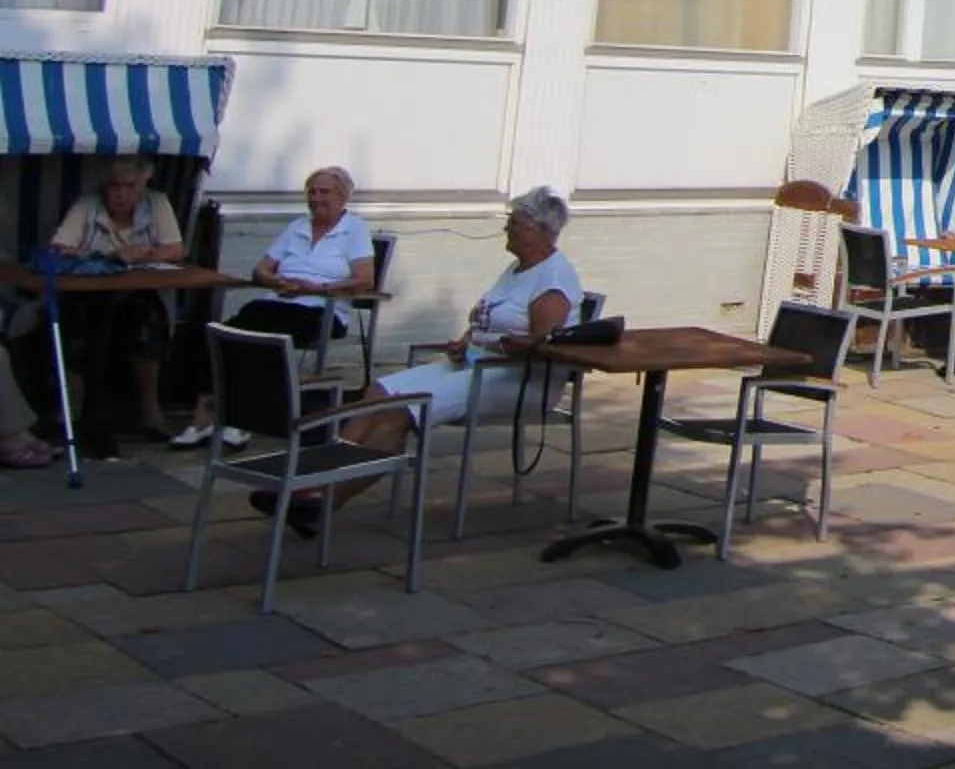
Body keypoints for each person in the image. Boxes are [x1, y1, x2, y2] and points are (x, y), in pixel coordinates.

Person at [254, 186, 580, 538]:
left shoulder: (553, 278)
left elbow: (545, 345)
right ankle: (311, 484)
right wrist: (466, 341)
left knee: (399, 412)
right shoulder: (518, 268)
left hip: (517, 382)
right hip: (475, 365)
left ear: (537, 231)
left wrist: (493, 344)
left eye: (514, 222)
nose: (506, 228)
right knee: (377, 391)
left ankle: (324, 500)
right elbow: (489, 320)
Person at [175, 165, 378, 448]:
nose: (316, 198)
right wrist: (275, 280)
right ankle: (203, 419)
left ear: (343, 197)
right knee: (223, 335)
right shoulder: (297, 227)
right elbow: (261, 270)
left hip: (321, 310)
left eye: (324, 192)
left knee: (262, 343)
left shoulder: (354, 229)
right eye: (312, 192)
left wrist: (315, 288)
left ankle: (239, 420)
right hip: (278, 301)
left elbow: (364, 281)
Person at [50, 157, 186, 440]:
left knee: (146, 319)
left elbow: (175, 249)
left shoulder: (157, 202)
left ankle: (151, 413)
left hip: (138, 294)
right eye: (114, 186)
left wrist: (145, 252)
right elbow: (60, 247)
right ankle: (74, 414)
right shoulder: (88, 204)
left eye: (130, 186)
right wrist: (105, 257)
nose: (121, 193)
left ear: (143, 185)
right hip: (87, 294)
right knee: (75, 323)